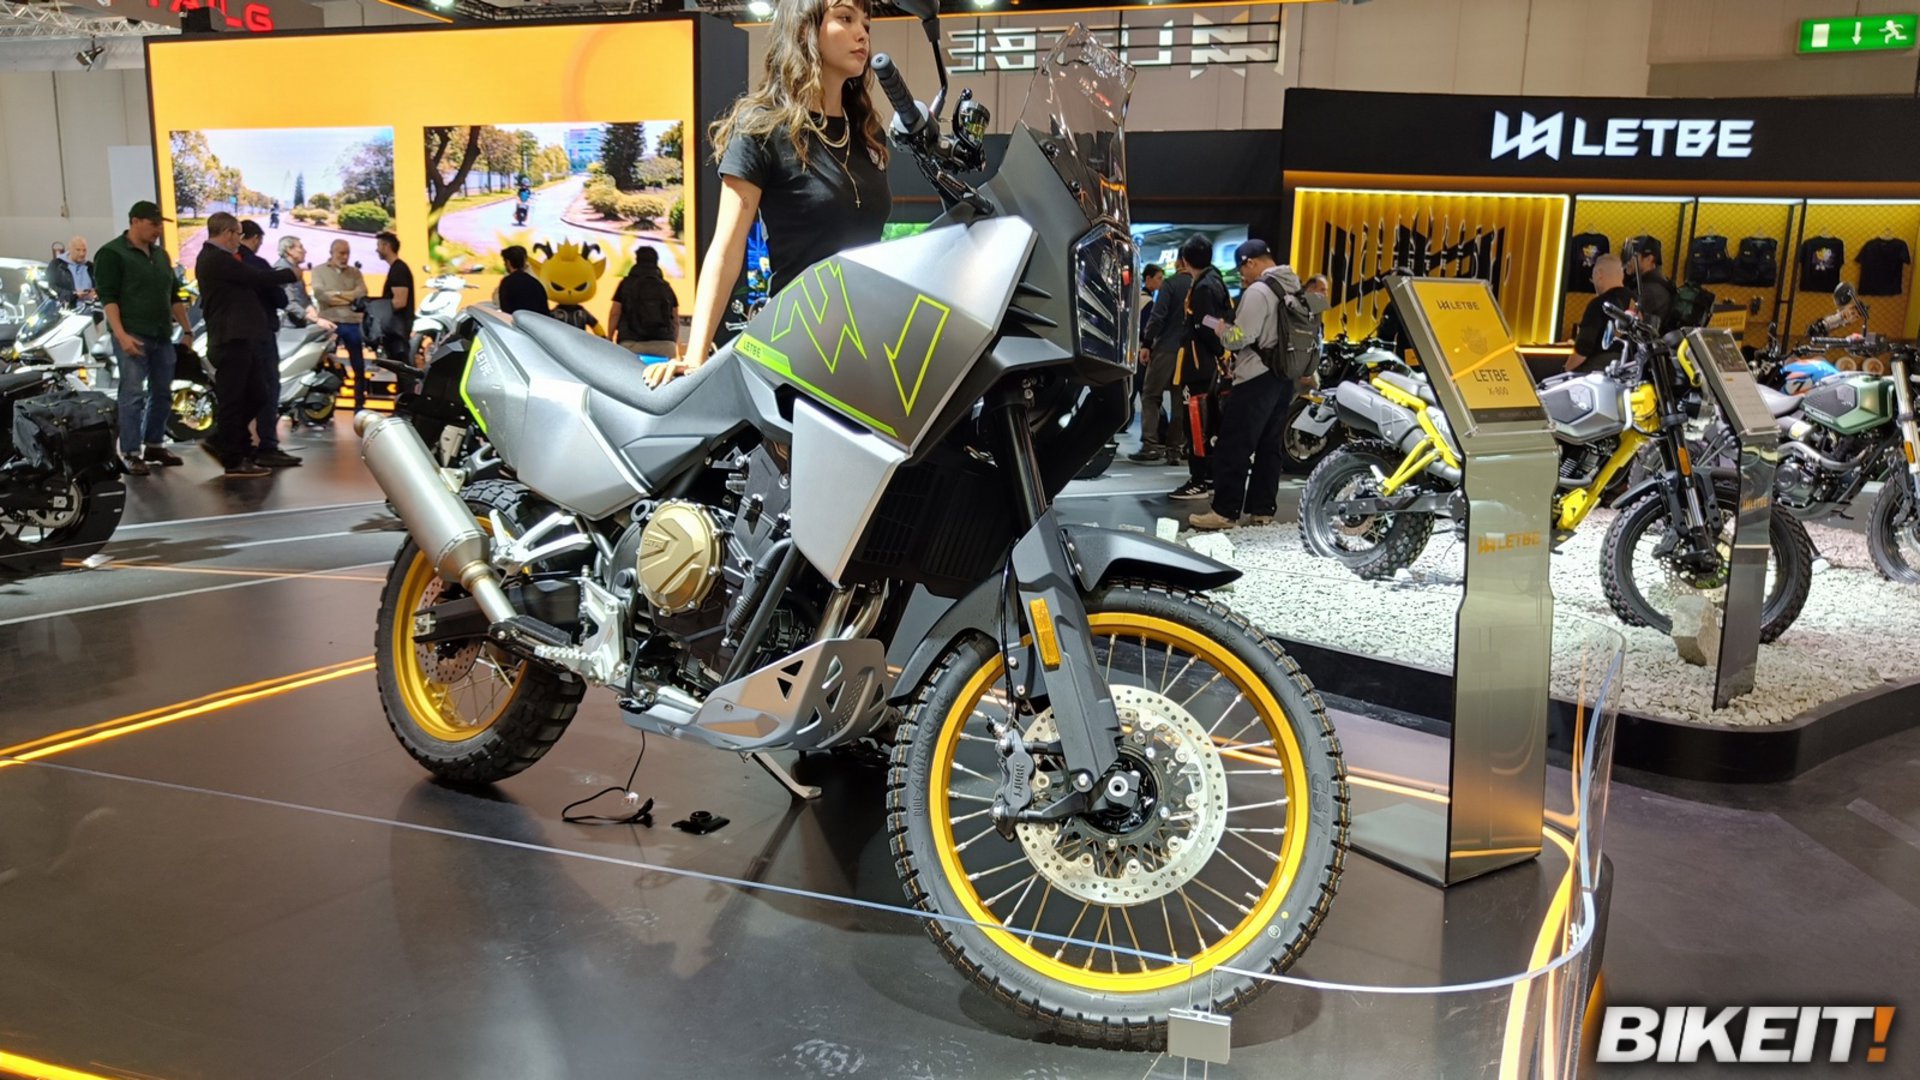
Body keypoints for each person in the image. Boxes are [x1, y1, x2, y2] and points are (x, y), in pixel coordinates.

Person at [651, 0, 890, 389]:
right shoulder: (763, 127)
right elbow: (726, 249)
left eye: (866, 23)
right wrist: (695, 356)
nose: (862, 33)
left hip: (869, 345)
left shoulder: (867, 134)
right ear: (805, 29)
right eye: (846, 18)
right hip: (798, 348)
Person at [1188, 240, 1298, 531]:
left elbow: (1240, 337)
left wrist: (1220, 329)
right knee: (1269, 446)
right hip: (1284, 377)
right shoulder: (1293, 287)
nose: (1242, 276)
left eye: (1242, 269)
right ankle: (1262, 510)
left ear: (1251, 262)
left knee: (1234, 444)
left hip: (1255, 377)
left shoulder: (1259, 291)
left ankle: (1224, 512)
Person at [94, 201, 194, 475]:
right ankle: (130, 451)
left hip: (162, 334)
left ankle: (154, 444)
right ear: (135, 221)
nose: (158, 229)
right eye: (153, 224)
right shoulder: (112, 254)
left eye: (160, 224)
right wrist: (121, 335)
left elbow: (173, 296)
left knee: (162, 392)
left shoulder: (161, 256)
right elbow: (109, 299)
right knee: (133, 393)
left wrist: (187, 331)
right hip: (133, 334)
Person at [196, 212, 296, 479]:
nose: (239, 241)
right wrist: (290, 273)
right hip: (229, 339)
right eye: (238, 235)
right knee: (234, 399)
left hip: (240, 338)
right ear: (228, 233)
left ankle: (227, 441)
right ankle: (232, 456)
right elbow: (256, 277)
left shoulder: (221, 259)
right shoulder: (216, 259)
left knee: (257, 394)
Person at [236, 221, 303, 468]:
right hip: (261, 333)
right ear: (254, 238)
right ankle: (267, 445)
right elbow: (279, 298)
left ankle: (241, 443)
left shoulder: (226, 263)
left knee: (243, 391)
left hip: (236, 335)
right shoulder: (257, 264)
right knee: (267, 389)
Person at [1170, 235, 1230, 501]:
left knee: (1196, 422)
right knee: (1208, 422)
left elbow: (1205, 324)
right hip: (1208, 363)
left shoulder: (1204, 286)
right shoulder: (1216, 281)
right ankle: (1210, 477)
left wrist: (1217, 350)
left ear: (1185, 259)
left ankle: (1200, 480)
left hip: (1198, 365)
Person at [1133, 260, 1191, 464]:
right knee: (1179, 400)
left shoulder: (1171, 284)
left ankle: (1150, 445)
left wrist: (1147, 343)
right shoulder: (1200, 284)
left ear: (1180, 262)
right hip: (1188, 352)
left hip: (1166, 348)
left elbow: (1157, 317)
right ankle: (1175, 448)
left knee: (1150, 395)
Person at [312, 240, 370, 410]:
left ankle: (359, 405)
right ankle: (322, 405)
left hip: (352, 322)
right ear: (332, 253)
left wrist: (336, 295)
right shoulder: (319, 271)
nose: (345, 257)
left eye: (347, 253)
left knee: (358, 365)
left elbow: (361, 293)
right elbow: (321, 295)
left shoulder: (355, 273)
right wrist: (348, 297)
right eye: (341, 253)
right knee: (324, 364)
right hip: (330, 323)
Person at [610, 247, 680, 359]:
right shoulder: (666, 287)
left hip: (631, 344)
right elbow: (675, 321)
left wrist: (609, 338)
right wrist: (672, 341)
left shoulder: (625, 284)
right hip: (663, 345)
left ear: (637, 260)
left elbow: (615, 313)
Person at [1567, 253, 1630, 374]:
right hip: (1629, 370)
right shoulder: (1636, 301)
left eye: (1593, 276)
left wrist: (1566, 370)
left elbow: (1583, 348)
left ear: (1599, 274)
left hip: (1598, 372)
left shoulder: (1598, 304)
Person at [275, 236, 333, 331]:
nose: (304, 251)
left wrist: (309, 307)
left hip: (300, 323)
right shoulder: (282, 271)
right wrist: (316, 320)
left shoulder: (294, 269)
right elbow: (288, 303)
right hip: (288, 327)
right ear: (289, 250)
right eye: (300, 247)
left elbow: (301, 297)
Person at [375, 231, 414, 364]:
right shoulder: (396, 268)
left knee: (400, 365)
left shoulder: (399, 270)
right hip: (395, 327)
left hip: (398, 328)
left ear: (386, 246)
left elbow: (400, 302)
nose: (376, 250)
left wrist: (378, 310)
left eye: (379, 245)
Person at [1623, 235, 1675, 330]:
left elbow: (1627, 320)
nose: (1628, 261)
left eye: (1632, 256)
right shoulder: (1646, 283)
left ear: (1649, 259)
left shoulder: (1649, 291)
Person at [496, 245, 550, 317]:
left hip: (515, 322)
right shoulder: (536, 283)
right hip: (537, 322)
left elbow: (504, 309)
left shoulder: (507, 283)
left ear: (508, 262)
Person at [46, 236, 95, 306]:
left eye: (84, 250)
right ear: (70, 249)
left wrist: (95, 293)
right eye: (78, 250)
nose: (82, 254)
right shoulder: (57, 265)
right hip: (65, 308)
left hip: (89, 308)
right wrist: (73, 295)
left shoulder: (90, 267)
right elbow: (50, 288)